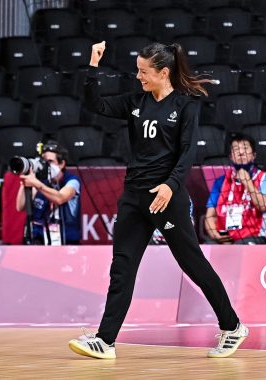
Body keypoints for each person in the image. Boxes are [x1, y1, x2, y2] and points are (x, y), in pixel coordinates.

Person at [68, 41, 248, 360]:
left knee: (192, 263)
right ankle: (105, 340)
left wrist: (170, 185)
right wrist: (93, 65)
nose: (138, 77)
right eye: (137, 71)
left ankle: (232, 326)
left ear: (163, 73)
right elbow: (96, 104)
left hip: (167, 198)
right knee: (121, 268)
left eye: (143, 72)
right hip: (133, 197)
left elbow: (188, 151)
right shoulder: (136, 101)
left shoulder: (186, 105)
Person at [204, 133, 266, 245]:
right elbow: (210, 216)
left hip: (255, 237)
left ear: (254, 155)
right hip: (225, 238)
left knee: (240, 247)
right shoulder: (220, 182)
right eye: (236, 149)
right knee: (205, 248)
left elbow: (263, 206)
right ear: (231, 157)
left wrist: (247, 182)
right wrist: (219, 237)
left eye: (245, 148)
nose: (241, 152)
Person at [15, 141, 81, 245]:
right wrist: (26, 179)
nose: (46, 165)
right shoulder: (39, 180)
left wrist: (36, 183)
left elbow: (60, 198)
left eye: (50, 161)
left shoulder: (72, 181)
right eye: (44, 161)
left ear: (62, 164)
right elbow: (20, 206)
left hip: (66, 240)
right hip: (39, 239)